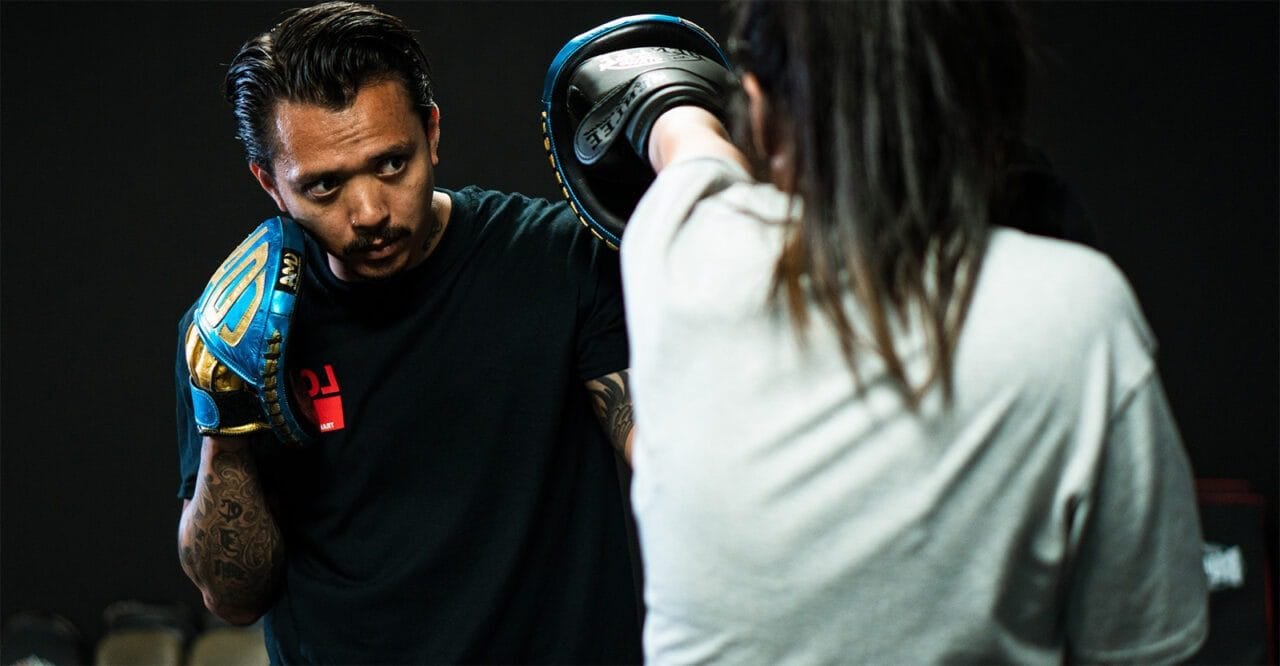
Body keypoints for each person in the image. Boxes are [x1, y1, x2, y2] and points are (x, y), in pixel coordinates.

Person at [568, 1, 1209, 663]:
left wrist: (670, 104)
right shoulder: (1077, 310)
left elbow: (691, 153)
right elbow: (1146, 646)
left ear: (762, 115)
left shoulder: (680, 249)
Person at [173, 2, 642, 663]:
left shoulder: (555, 260)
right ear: (270, 184)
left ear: (432, 133)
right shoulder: (231, 326)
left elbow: (674, 466)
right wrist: (223, 418)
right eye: (324, 186)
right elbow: (233, 598)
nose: (369, 212)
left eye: (392, 164)